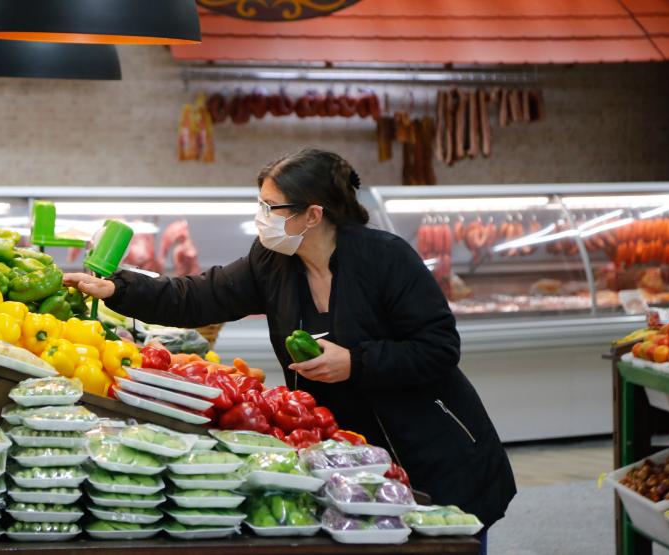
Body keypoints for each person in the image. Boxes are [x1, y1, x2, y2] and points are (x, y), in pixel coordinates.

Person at [65, 148, 516, 528]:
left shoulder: (386, 259)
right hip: (349, 452)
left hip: (430, 448)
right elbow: (198, 297)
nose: (261, 218)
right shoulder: (273, 260)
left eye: (271, 208)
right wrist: (120, 289)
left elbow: (438, 348)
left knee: (443, 540)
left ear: (313, 214)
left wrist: (356, 362)